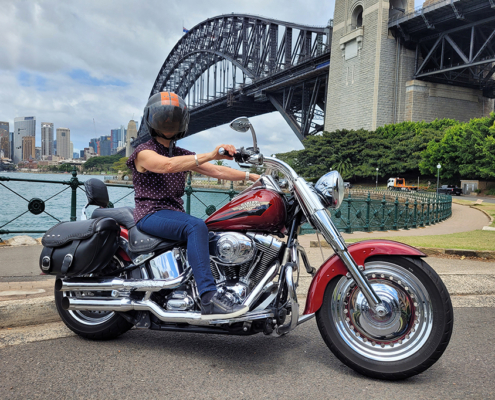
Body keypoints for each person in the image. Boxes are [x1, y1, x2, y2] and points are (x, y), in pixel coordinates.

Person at [126, 92, 260, 320]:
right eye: (163, 118)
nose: (169, 122)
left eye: (174, 118)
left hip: (173, 213)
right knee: (196, 227)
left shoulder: (182, 154)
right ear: (152, 120)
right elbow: (167, 166)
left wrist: (251, 176)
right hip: (151, 214)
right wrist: (209, 154)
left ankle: (233, 288)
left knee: (220, 232)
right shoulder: (143, 152)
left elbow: (217, 170)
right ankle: (209, 297)